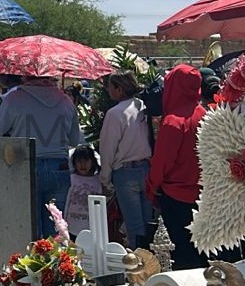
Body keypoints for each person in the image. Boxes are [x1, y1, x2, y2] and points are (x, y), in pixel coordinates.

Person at [0, 75, 85, 238]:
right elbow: (75, 140)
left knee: (29, 227)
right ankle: (57, 263)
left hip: (25, 166)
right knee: (56, 227)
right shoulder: (65, 101)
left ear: (25, 76)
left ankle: (33, 262)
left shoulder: (14, 99)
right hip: (59, 168)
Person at [146, 64, 207, 269]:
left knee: (182, 253)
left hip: (176, 195)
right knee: (203, 250)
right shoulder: (205, 114)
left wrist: (152, 185)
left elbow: (162, 161)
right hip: (204, 195)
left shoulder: (173, 121)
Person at [99, 71, 154, 248]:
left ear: (119, 89)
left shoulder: (115, 114)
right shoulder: (143, 107)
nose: (108, 91)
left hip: (125, 172)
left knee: (133, 226)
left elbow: (108, 148)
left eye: (110, 87)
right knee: (147, 223)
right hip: (146, 169)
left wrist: (105, 180)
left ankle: (137, 267)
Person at [64, 147, 102, 237]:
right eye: (79, 161)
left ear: (92, 162)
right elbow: (66, 203)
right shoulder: (71, 179)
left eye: (86, 161)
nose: (83, 165)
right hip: (72, 227)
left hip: (92, 227)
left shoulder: (99, 181)